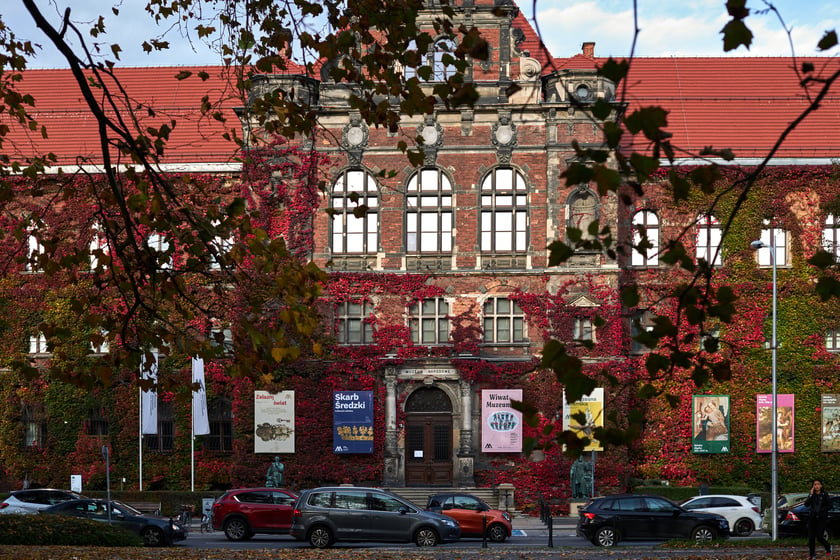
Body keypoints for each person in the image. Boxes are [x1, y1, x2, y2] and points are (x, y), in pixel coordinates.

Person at [805, 479, 832, 559]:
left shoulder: (824, 494)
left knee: (820, 536)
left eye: (818, 484)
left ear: (821, 485)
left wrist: (823, 510)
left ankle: (828, 548)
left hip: (821, 518)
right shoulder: (812, 495)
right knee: (811, 537)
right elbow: (806, 504)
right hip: (812, 518)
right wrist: (810, 495)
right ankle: (812, 554)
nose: (816, 486)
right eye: (815, 484)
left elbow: (830, 505)